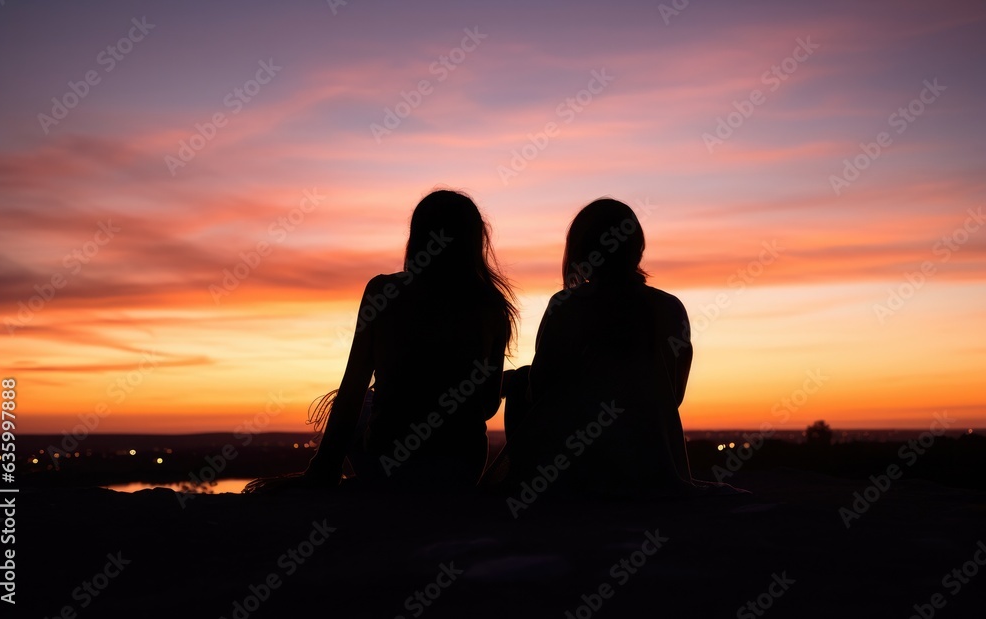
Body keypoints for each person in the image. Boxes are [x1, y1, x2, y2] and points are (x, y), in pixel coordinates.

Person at [245, 190, 516, 492]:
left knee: (356, 400)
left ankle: (327, 474)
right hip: (460, 471)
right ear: (475, 241)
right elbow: (488, 405)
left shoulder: (383, 291)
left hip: (388, 468)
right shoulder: (492, 305)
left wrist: (324, 467)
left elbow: (353, 387)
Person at [484, 198, 734, 497]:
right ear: (637, 247)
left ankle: (530, 483)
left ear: (579, 250)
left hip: (576, 467)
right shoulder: (670, 308)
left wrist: (511, 381)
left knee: (520, 381)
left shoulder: (567, 306)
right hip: (652, 462)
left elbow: (541, 392)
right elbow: (672, 395)